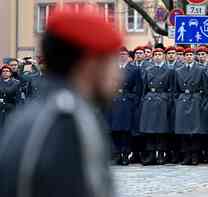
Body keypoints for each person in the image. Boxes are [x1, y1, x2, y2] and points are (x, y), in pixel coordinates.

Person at [0, 7, 123, 197]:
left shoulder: (32, 113)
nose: (118, 74)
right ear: (90, 63)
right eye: (112, 61)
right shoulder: (69, 121)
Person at [106, 47, 142, 166]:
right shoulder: (111, 68)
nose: (122, 56)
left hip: (127, 101)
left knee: (126, 131)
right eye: (119, 54)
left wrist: (133, 101)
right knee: (114, 130)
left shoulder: (134, 69)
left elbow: (138, 88)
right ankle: (116, 154)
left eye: (124, 54)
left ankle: (125, 154)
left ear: (128, 55)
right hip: (113, 101)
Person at [174, 47, 208, 165]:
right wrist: (178, 100)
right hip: (183, 100)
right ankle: (186, 155)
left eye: (190, 55)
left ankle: (195, 155)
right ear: (184, 57)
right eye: (186, 55)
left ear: (194, 56)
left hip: (195, 100)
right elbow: (175, 90)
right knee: (183, 130)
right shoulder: (178, 70)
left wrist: (202, 102)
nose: (189, 57)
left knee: (195, 130)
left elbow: (206, 89)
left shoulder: (201, 69)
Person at [139, 48, 174, 165]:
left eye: (160, 54)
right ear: (153, 57)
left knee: (161, 130)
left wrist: (167, 100)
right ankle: (151, 154)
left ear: (163, 56)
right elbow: (144, 88)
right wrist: (144, 99)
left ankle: (161, 154)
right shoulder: (148, 70)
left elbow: (171, 89)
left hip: (162, 100)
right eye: (156, 54)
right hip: (150, 100)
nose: (158, 56)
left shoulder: (169, 71)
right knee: (149, 130)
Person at [0, 65, 21, 130]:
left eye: (7, 71)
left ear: (10, 73)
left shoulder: (16, 82)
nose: (5, 72)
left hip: (10, 108)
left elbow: (10, 91)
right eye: (3, 71)